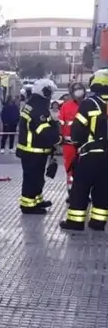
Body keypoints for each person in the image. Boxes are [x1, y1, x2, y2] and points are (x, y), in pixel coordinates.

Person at [60, 69, 108, 231]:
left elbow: (77, 131)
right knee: (103, 188)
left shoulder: (90, 103)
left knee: (80, 187)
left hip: (91, 154)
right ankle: (98, 222)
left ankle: (75, 222)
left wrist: (77, 143)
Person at [16, 78, 60, 214]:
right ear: (45, 92)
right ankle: (28, 205)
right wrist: (57, 133)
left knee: (37, 177)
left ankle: (37, 200)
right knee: (32, 178)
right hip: (33, 151)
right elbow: (42, 131)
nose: (51, 96)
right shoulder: (38, 108)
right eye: (50, 93)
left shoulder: (32, 104)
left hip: (32, 150)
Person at [58, 82, 87, 195]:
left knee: (85, 169)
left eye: (80, 89)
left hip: (85, 144)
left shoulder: (88, 105)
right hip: (69, 144)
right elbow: (60, 124)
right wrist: (59, 139)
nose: (78, 91)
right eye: (75, 89)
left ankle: (83, 192)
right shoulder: (66, 106)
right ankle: (72, 192)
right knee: (70, 169)